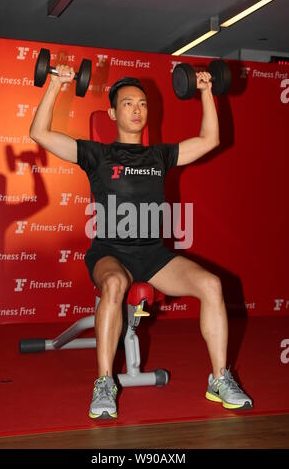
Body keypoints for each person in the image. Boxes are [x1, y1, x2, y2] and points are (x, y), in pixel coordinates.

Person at [30, 63, 253, 420]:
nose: (137, 110)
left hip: (153, 255)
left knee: (211, 285)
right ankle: (104, 382)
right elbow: (39, 132)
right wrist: (56, 84)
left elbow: (210, 140)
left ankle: (219, 379)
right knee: (115, 283)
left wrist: (207, 91)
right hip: (109, 252)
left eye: (143, 104)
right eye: (129, 103)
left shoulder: (160, 155)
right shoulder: (97, 155)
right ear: (113, 112)